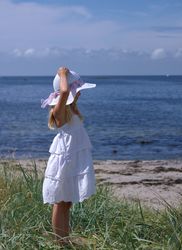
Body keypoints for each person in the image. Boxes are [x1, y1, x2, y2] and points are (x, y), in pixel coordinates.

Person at [41, 67, 96, 245]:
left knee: (67, 202)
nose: (79, 94)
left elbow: (66, 93)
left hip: (72, 158)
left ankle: (64, 239)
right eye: (77, 91)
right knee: (60, 201)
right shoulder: (60, 113)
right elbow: (64, 91)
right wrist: (63, 74)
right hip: (64, 159)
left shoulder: (72, 111)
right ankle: (60, 241)